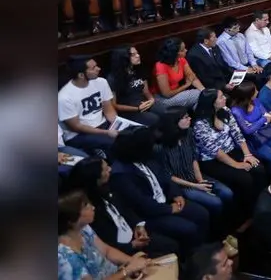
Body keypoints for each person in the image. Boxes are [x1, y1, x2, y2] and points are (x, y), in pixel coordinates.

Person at [109, 127, 210, 256]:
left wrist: (176, 194)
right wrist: (169, 209)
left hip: (166, 200)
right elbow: (142, 203)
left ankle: (200, 252)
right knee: (188, 228)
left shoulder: (146, 156)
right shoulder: (121, 174)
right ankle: (188, 259)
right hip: (150, 214)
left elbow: (164, 176)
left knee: (202, 214)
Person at [190, 89, 268, 217]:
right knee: (244, 179)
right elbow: (215, 151)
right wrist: (236, 165)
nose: (224, 98)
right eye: (220, 97)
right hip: (212, 160)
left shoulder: (225, 111)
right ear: (212, 103)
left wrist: (247, 155)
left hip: (231, 150)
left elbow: (237, 133)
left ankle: (261, 202)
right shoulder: (199, 124)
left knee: (258, 168)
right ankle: (245, 213)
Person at [155, 109, 236, 230]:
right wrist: (195, 185)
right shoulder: (160, 147)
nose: (190, 119)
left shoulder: (188, 133)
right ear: (174, 122)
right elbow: (168, 176)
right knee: (216, 202)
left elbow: (193, 158)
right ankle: (216, 229)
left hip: (195, 175)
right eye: (185, 117)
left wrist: (200, 180)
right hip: (181, 185)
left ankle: (229, 223)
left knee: (227, 193)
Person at [58, 190, 155, 280]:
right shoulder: (64, 256)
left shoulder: (84, 228)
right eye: (86, 206)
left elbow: (106, 251)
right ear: (71, 220)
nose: (93, 207)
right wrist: (128, 271)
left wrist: (132, 262)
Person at [59, 57, 121, 155]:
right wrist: (106, 133)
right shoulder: (64, 97)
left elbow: (109, 111)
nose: (99, 68)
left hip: (102, 125)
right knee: (115, 143)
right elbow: (76, 127)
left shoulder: (101, 82)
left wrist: (118, 125)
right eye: (93, 68)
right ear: (81, 75)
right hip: (79, 134)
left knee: (131, 134)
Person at [229, 81, 271, 174]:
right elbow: (247, 131)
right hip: (252, 141)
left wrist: (256, 123)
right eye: (255, 91)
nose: (258, 91)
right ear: (248, 95)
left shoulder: (256, 101)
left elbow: (268, 117)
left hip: (265, 132)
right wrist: (262, 120)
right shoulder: (236, 111)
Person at [108, 46, 166, 128]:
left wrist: (151, 100)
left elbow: (146, 91)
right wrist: (137, 108)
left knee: (166, 111)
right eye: (133, 55)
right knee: (154, 119)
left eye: (137, 53)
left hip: (144, 103)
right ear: (124, 58)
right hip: (129, 110)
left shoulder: (139, 69)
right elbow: (114, 105)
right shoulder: (113, 78)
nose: (138, 56)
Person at [153, 38, 206, 109]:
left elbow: (192, 78)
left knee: (204, 96)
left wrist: (204, 90)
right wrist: (185, 86)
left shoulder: (181, 60)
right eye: (183, 50)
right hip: (163, 99)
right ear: (175, 53)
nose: (186, 50)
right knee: (198, 94)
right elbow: (167, 94)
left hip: (177, 93)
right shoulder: (160, 66)